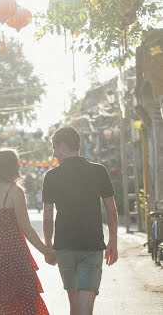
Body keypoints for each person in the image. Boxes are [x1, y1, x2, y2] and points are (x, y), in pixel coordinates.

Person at [42, 126, 118, 315]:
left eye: (54, 147)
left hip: (64, 248)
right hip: (91, 246)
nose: (53, 153)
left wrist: (48, 246)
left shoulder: (51, 176)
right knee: (85, 308)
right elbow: (111, 209)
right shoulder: (98, 171)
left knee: (75, 306)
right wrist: (113, 242)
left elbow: (47, 215)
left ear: (62, 146)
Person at [0, 148, 54, 315]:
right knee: (21, 299)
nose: (19, 166)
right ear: (9, 167)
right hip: (15, 253)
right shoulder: (15, 192)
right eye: (17, 163)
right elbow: (26, 228)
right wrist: (46, 251)